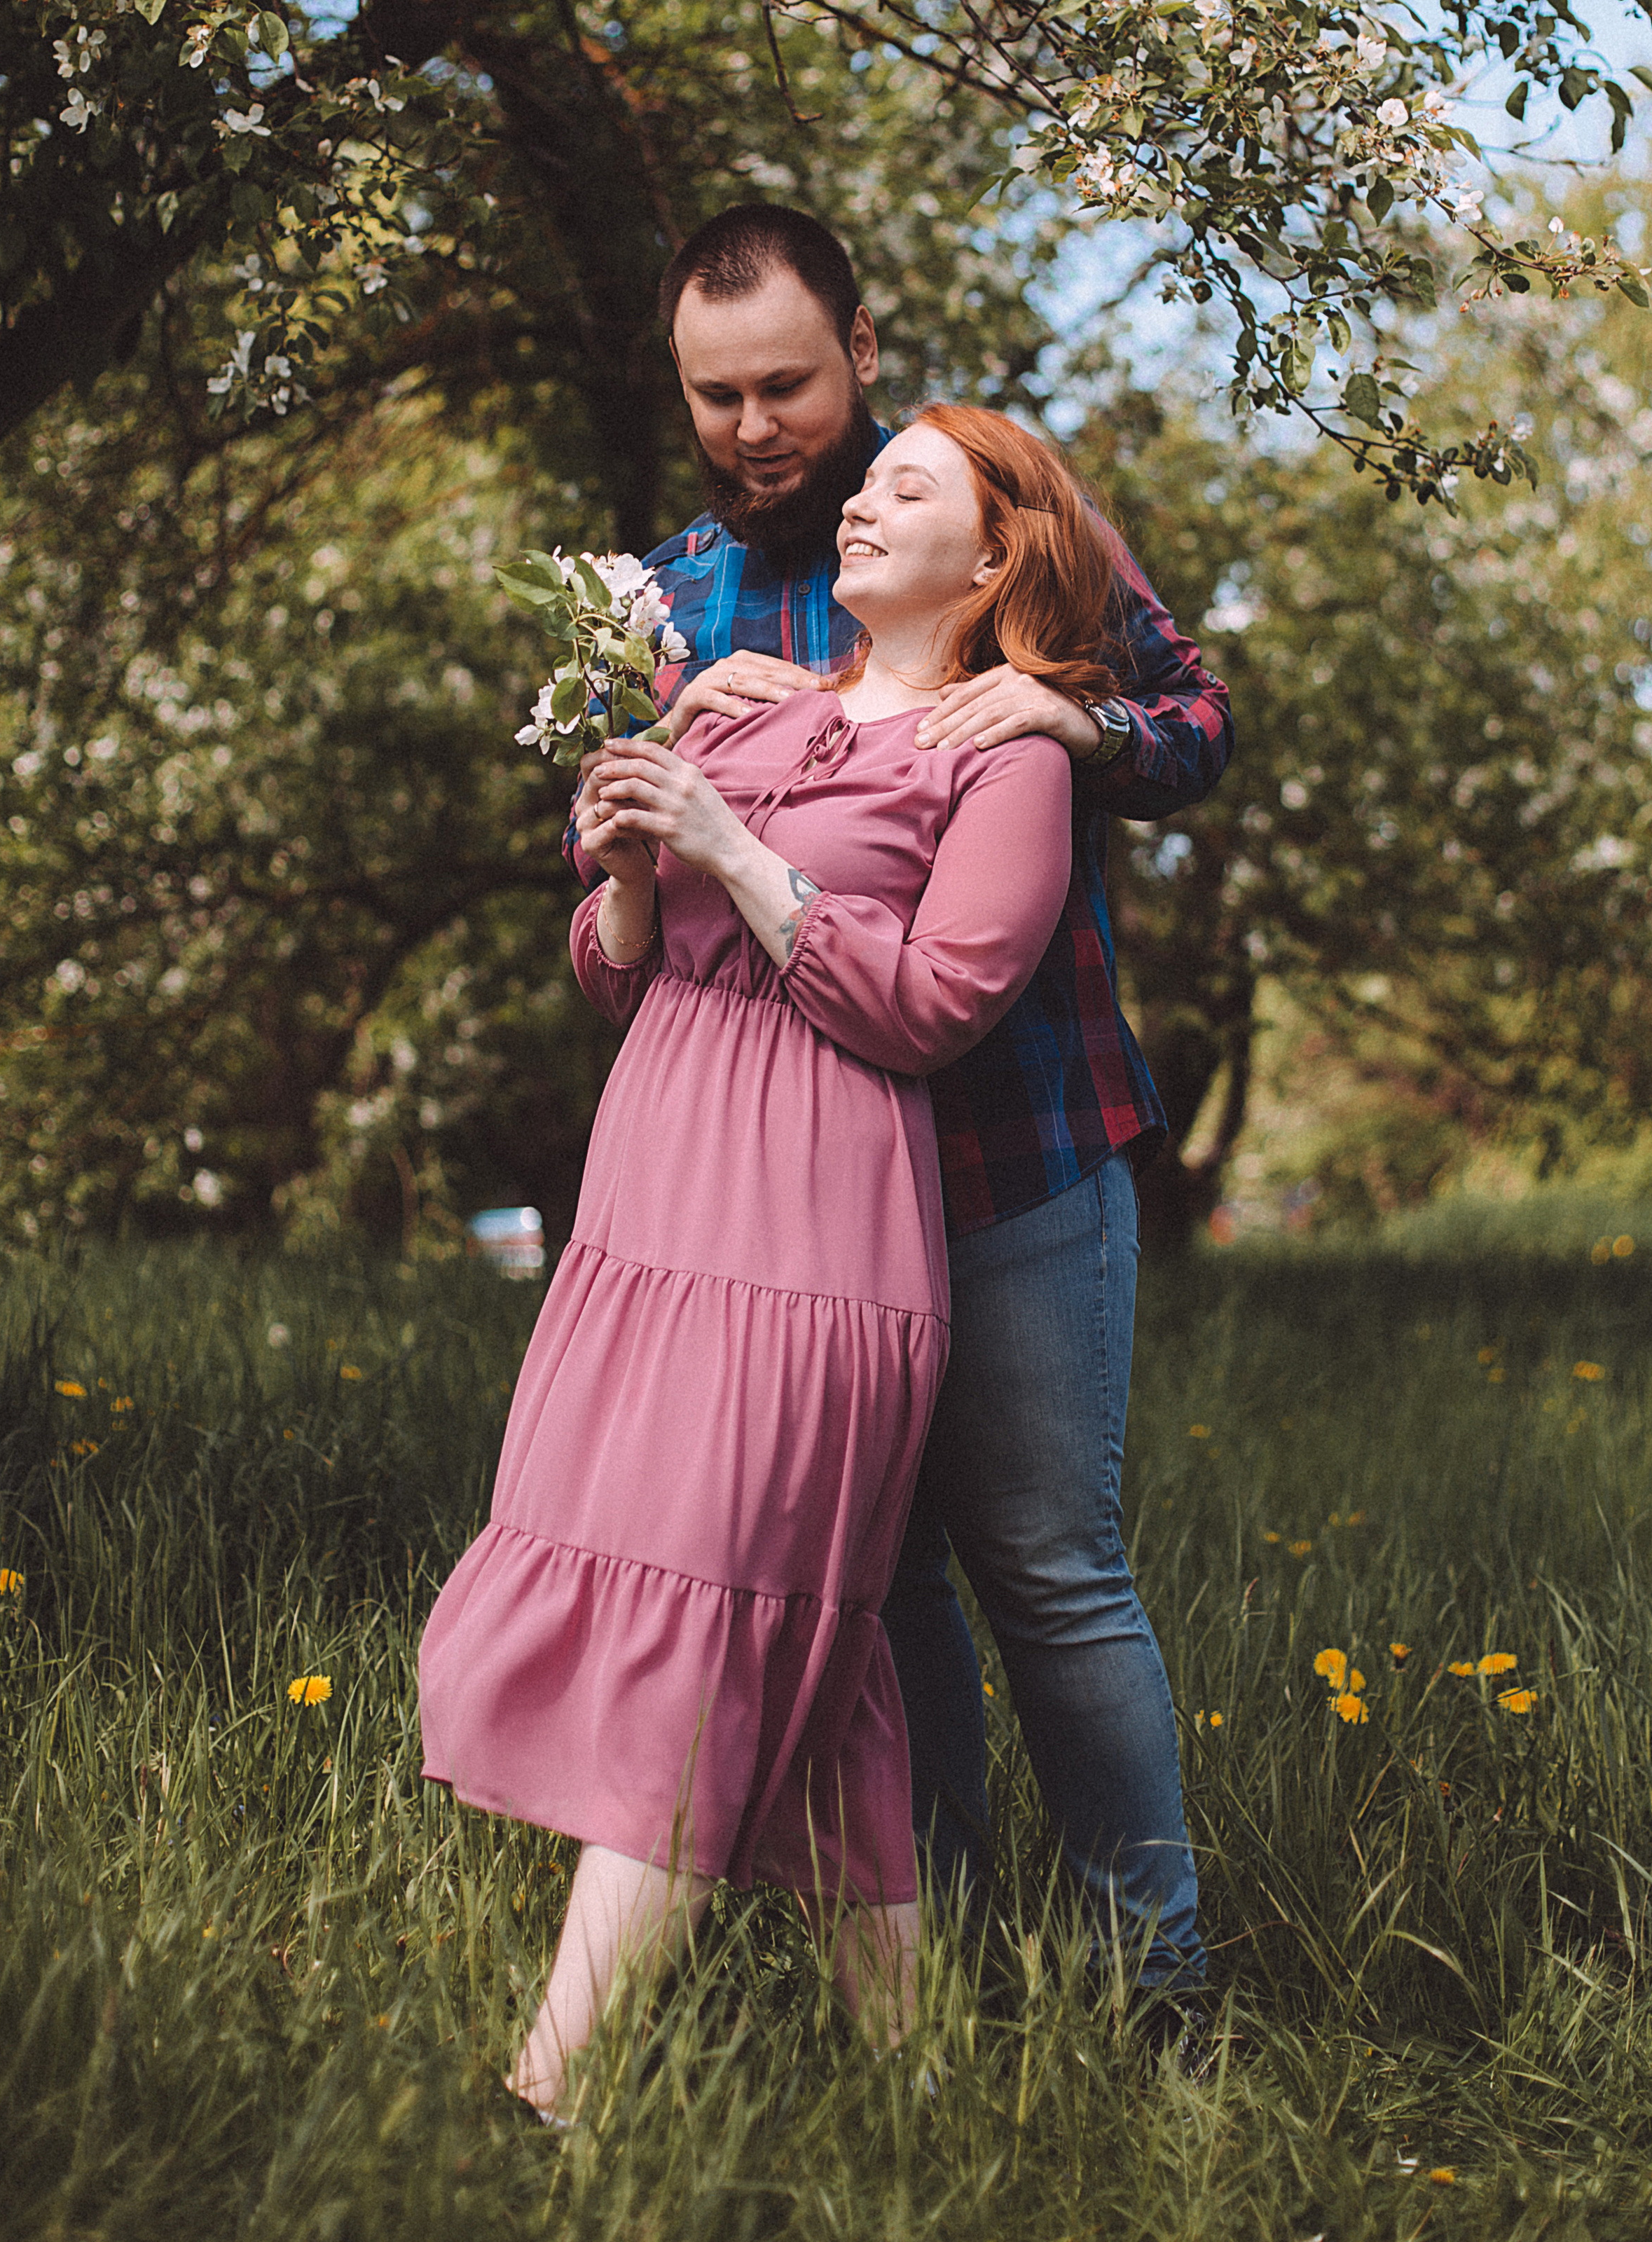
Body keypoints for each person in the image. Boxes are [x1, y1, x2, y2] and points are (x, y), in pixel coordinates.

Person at [420, 407, 1118, 2117]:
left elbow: (941, 1003)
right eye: (866, 483)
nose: (859, 505)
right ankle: (922, 2086)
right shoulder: (752, 698)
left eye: (908, 489)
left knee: (718, 1607)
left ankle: (552, 2087)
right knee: (817, 1645)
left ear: (998, 553)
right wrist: (638, 857)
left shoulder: (1004, 752)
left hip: (813, 1236)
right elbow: (620, 969)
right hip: (652, 1213)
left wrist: (734, 847)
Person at [608, 204, 1234, 2025]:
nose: (756, 428)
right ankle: (945, 1971)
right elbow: (644, 897)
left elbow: (1194, 723)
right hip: (796, 1205)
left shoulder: (992, 506)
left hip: (1010, 1155)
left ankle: (1160, 1992)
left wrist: (1064, 721)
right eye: (716, 396)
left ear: (862, 350)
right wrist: (656, 758)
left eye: (788, 383)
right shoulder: (678, 594)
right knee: (877, 1599)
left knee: (1049, 1569)